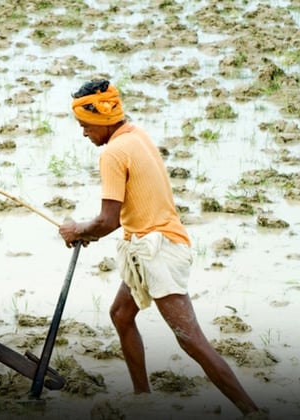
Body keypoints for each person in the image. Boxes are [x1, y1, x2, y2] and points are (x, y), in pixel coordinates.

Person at [58, 79, 261, 417]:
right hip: (148, 245)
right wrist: (86, 232)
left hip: (159, 250)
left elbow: (108, 220)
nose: (83, 133)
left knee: (190, 339)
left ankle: (252, 411)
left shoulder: (112, 153)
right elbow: (117, 219)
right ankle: (142, 396)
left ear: (101, 118)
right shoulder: (135, 134)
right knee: (121, 314)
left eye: (85, 125)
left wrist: (78, 229)